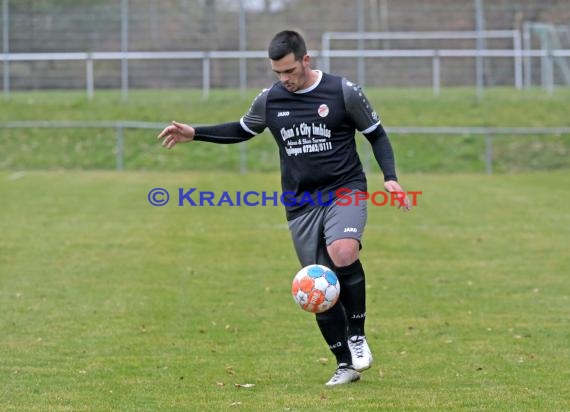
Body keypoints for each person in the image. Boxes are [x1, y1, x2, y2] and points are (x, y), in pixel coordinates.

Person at [157, 30, 411, 386]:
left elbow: (376, 134)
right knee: (316, 287)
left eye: (290, 71)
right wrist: (194, 132)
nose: (285, 79)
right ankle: (345, 365)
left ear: (306, 60)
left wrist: (390, 177)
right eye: (278, 73)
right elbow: (243, 130)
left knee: (343, 251)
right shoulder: (271, 100)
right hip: (301, 204)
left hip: (344, 189)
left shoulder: (342, 92)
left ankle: (356, 335)